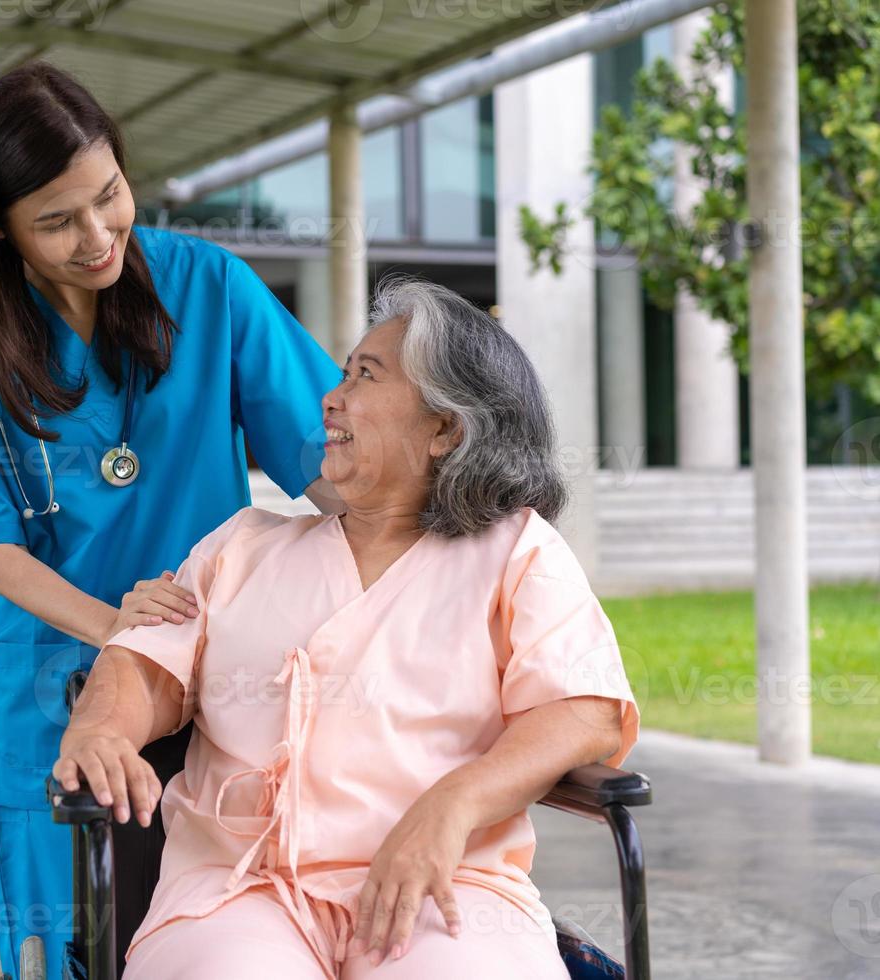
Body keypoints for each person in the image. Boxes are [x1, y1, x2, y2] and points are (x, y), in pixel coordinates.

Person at [0, 61, 344, 979]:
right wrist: (122, 632)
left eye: (109, 195)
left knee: (219, 944)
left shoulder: (211, 287)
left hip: (217, 704)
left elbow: (335, 470)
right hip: (44, 705)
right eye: (57, 221)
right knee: (70, 954)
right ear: (0, 231)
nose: (97, 235)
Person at [52, 277, 641, 978]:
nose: (332, 397)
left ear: (445, 427)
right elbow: (144, 666)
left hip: (445, 887)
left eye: (366, 375)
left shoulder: (516, 550)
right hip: (240, 891)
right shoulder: (242, 545)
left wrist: (452, 804)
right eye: (341, 374)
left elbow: (584, 710)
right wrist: (99, 730)